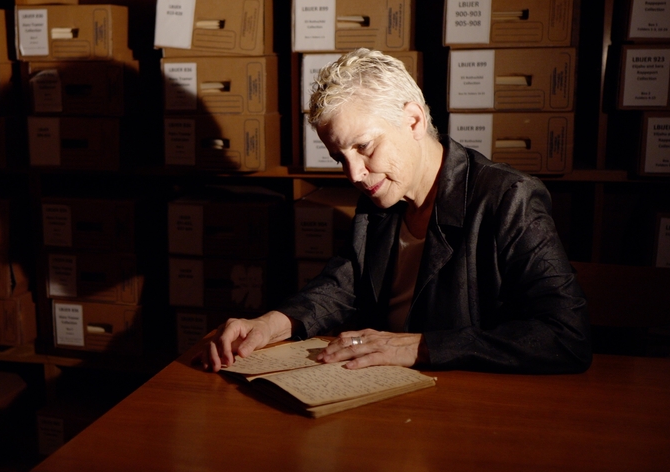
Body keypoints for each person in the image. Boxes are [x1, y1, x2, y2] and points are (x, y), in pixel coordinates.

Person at [197, 48, 592, 374]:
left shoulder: (510, 197)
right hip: (384, 392)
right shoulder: (383, 190)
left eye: (365, 147)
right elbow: (344, 284)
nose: (353, 173)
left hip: (469, 406)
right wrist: (270, 324)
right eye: (340, 157)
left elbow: (565, 336)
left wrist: (418, 346)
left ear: (414, 119)